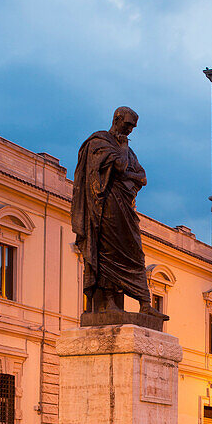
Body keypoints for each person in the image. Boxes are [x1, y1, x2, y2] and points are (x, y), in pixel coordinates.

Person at [72, 106, 159, 316]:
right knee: (107, 252)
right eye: (128, 125)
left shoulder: (128, 150)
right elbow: (114, 167)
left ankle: (145, 303)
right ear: (117, 119)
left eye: (133, 127)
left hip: (126, 209)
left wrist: (126, 171)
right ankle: (108, 301)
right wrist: (124, 167)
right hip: (105, 206)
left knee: (136, 252)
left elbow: (142, 177)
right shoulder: (99, 142)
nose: (130, 130)